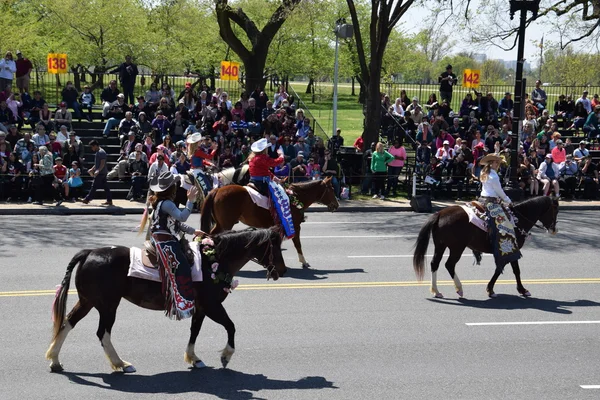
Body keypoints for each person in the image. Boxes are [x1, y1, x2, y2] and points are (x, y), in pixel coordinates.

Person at [143, 171, 202, 320]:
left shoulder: (162, 202)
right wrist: (190, 201)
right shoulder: (168, 203)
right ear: (171, 189)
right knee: (181, 266)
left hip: (163, 237)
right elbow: (183, 216)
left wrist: (193, 231)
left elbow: (176, 223)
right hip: (164, 240)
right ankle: (181, 305)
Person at [478, 154, 521, 269]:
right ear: (491, 163)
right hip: (491, 202)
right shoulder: (493, 176)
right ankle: (500, 245)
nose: (498, 165)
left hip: (482, 199)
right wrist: (508, 201)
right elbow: (499, 191)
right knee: (505, 222)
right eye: (496, 163)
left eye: (498, 163)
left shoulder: (484, 172)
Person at [82, 140, 112, 205]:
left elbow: (102, 163)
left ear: (95, 146)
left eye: (92, 147)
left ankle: (87, 199)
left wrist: (98, 170)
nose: (91, 149)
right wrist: (92, 169)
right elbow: (97, 163)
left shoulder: (101, 152)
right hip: (102, 172)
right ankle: (109, 200)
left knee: (94, 186)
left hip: (101, 173)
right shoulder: (98, 152)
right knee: (106, 187)